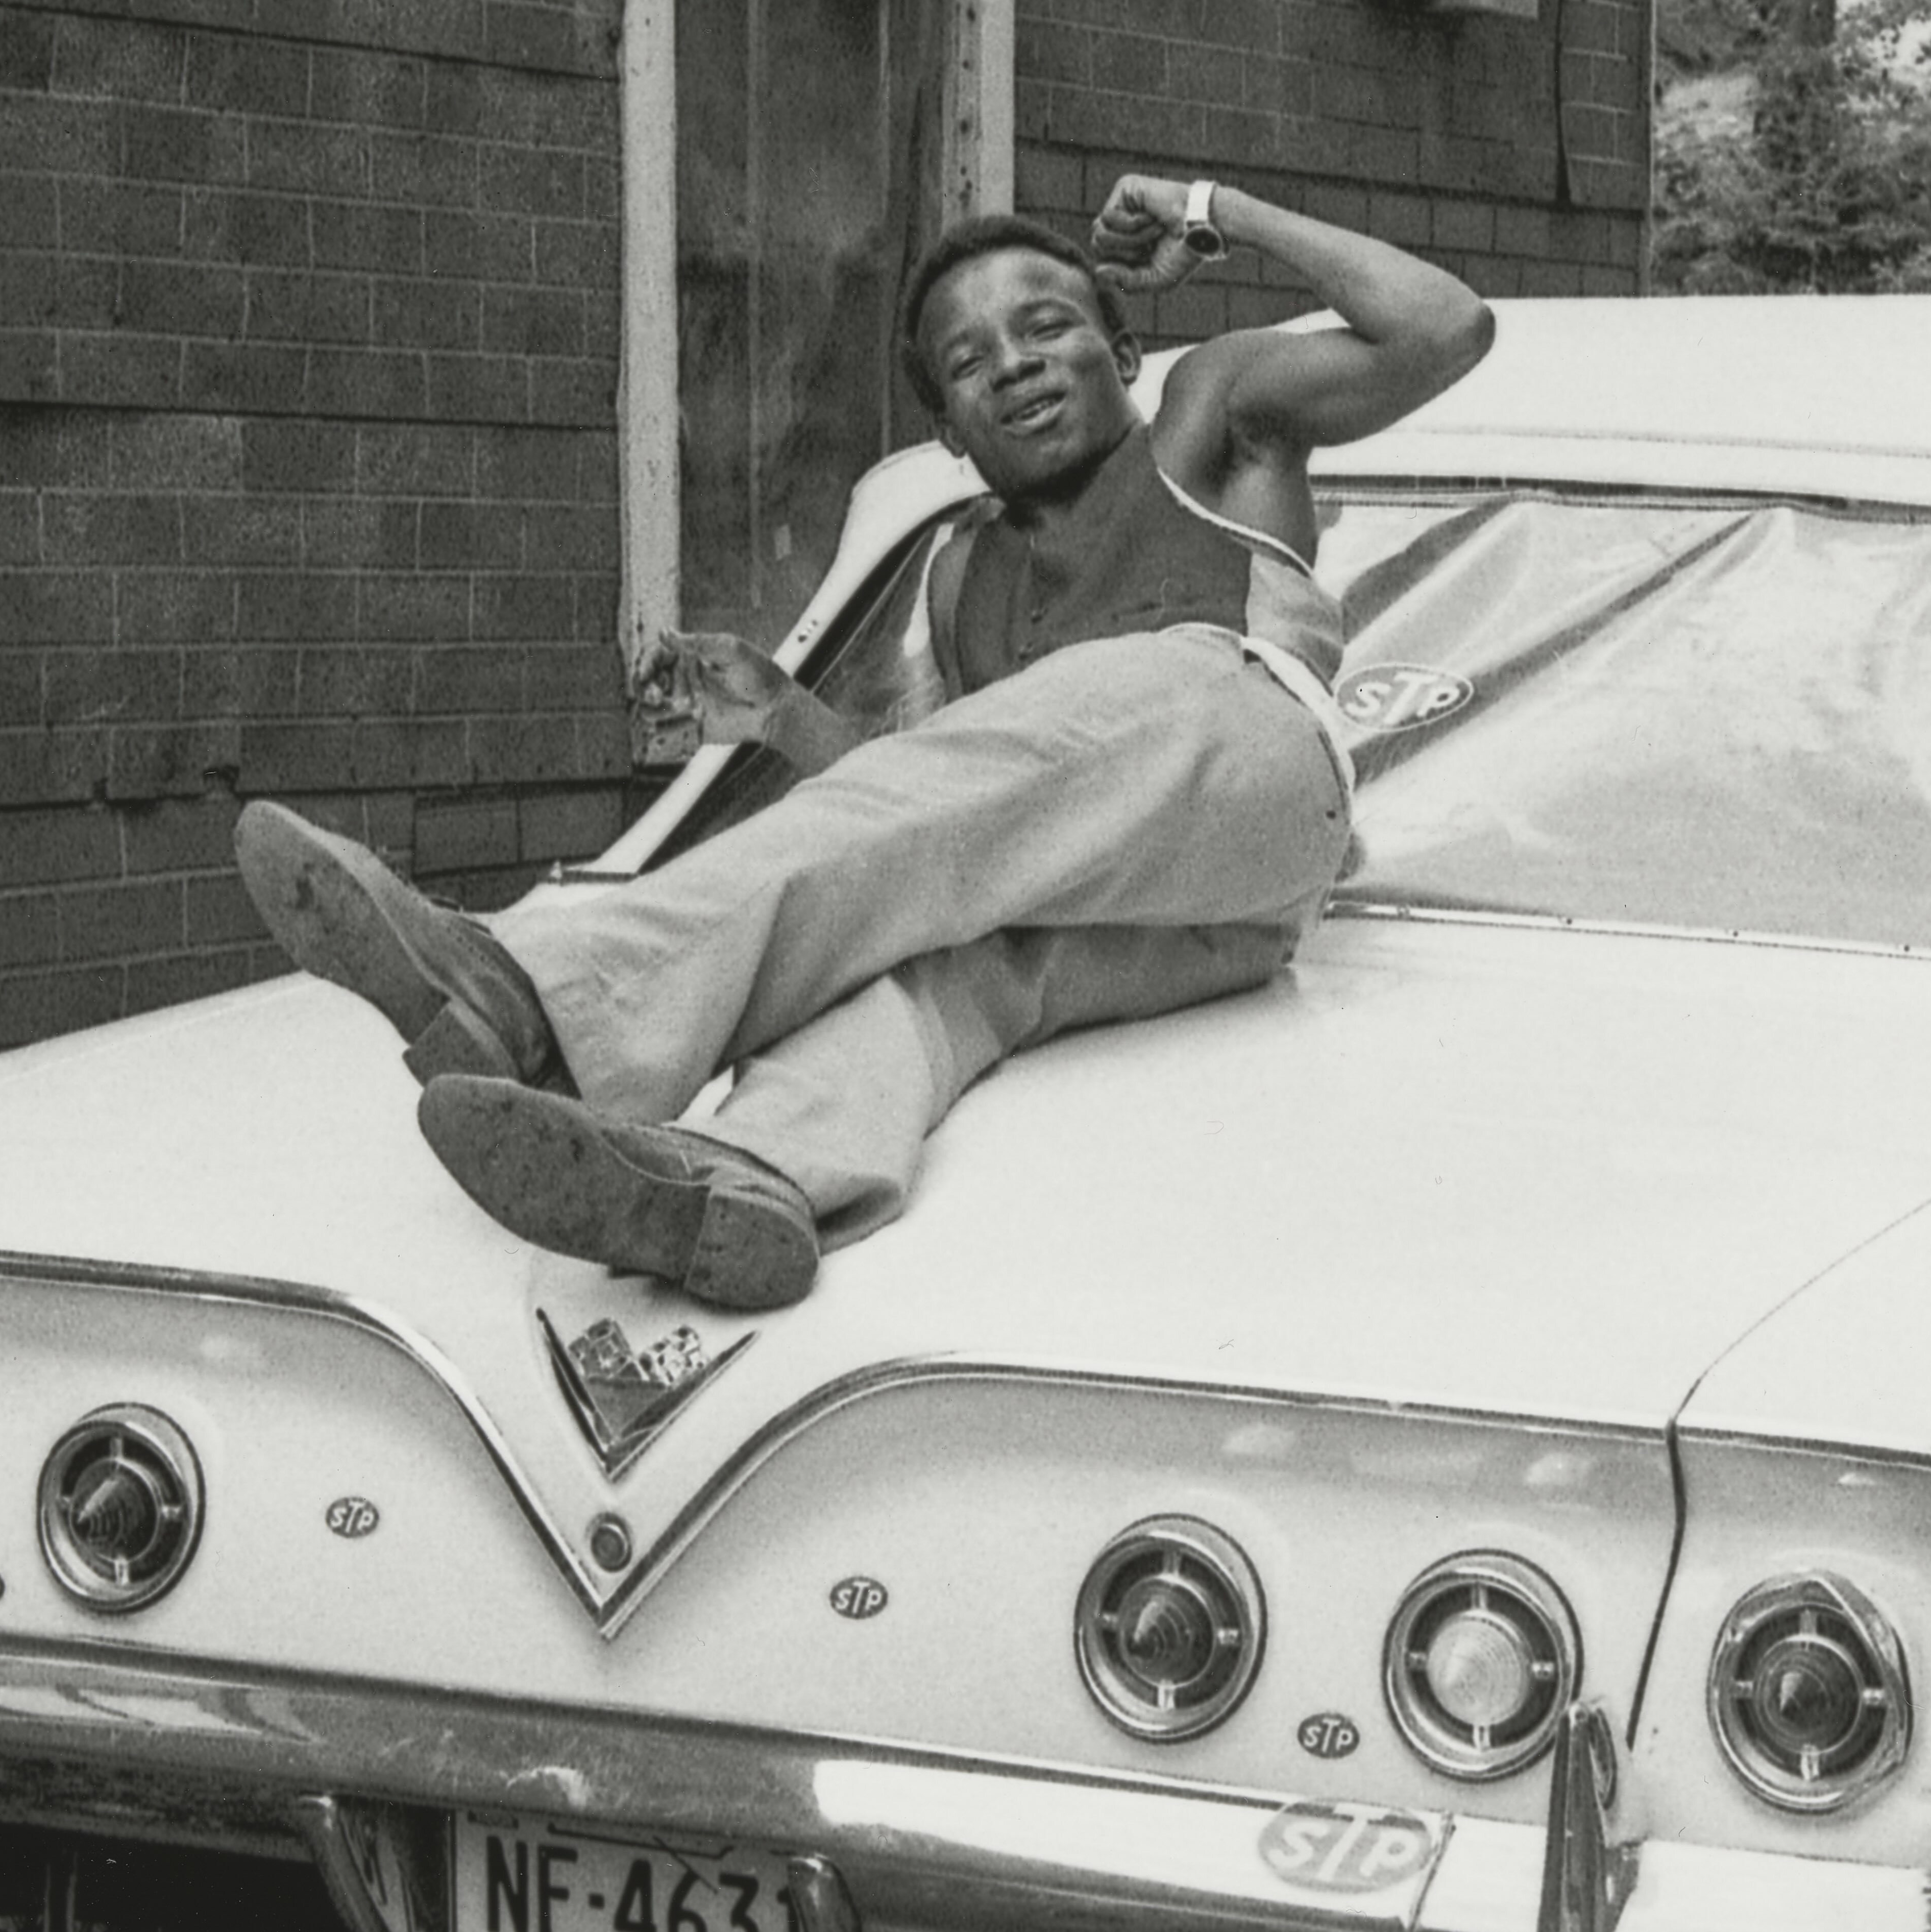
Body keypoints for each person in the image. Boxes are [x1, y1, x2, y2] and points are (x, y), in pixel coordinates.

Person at [234, 171, 1491, 1306]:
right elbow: (929, 823)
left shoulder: (1208, 425)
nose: (1013, 365)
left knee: (1018, 780)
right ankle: (750, 1181)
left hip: (1253, 776)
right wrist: (783, 718)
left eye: (1049, 327)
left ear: (1124, 348)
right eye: (968, 360)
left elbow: (1441, 327)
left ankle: (533, 993)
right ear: (948, 427)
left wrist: (1213, 212)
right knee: (926, 957)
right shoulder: (957, 576)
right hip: (1191, 927)